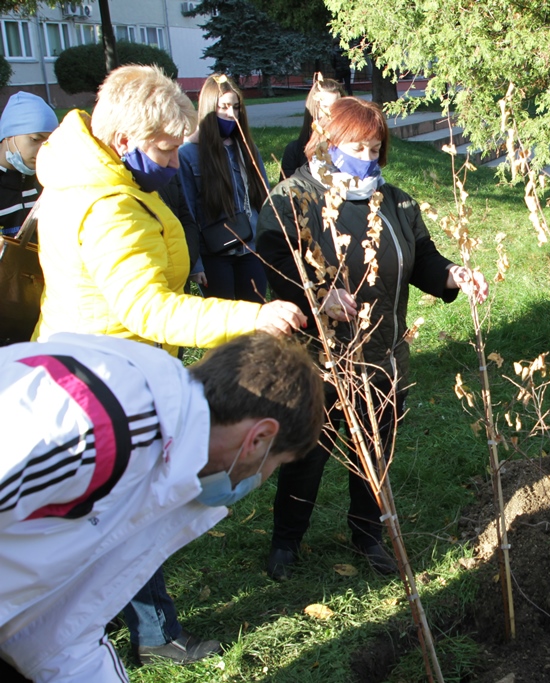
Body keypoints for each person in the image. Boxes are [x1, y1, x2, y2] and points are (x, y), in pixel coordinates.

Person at [32, 64, 306, 666]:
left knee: (107, 514)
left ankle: (111, 621)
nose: (171, 161)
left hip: (93, 364)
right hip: (107, 382)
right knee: (126, 517)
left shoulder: (91, 175)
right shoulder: (108, 204)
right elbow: (147, 308)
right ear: (125, 138)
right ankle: (151, 635)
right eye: (162, 148)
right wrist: (250, 317)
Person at [0, 332, 323, 683]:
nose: (263, 478)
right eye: (277, 462)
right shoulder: (99, 432)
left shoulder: (165, 460)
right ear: (258, 438)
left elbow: (58, 635)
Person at [256, 96, 488, 579]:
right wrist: (316, 295)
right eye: (356, 147)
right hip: (319, 358)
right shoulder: (294, 199)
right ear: (328, 143)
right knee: (308, 452)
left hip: (383, 355)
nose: (367, 157)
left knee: (375, 455)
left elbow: (423, 259)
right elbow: (273, 262)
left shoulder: (396, 202)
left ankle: (368, 535)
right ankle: (285, 541)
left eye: (375, 148)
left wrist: (454, 274)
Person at [178, 74, 269, 303]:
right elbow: (187, 212)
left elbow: (265, 200)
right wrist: (196, 264)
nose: (231, 114)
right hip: (214, 253)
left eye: (236, 107)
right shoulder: (188, 154)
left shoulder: (247, 148)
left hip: (250, 250)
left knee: (255, 315)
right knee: (224, 320)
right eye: (224, 107)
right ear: (210, 108)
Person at [0, 93, 58, 237]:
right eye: (35, 139)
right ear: (9, 136)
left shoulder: (49, 182)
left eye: (48, 142)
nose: (42, 149)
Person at [279, 78, 344, 180]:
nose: (330, 113)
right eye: (324, 107)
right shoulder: (295, 150)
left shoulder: (353, 146)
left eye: (335, 107)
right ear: (314, 109)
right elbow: (287, 187)